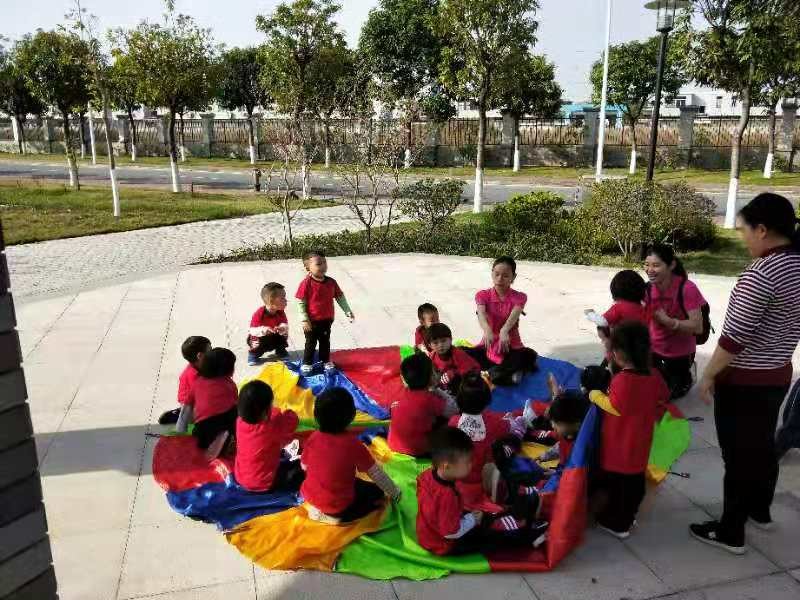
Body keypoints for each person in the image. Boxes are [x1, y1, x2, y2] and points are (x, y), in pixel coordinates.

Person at [690, 193, 800, 555]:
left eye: (743, 230)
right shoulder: (796, 264)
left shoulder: (762, 274)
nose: (742, 238)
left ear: (763, 230)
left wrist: (708, 375)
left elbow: (734, 338)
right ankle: (759, 511)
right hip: (777, 374)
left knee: (738, 457)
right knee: (761, 446)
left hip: (745, 382)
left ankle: (730, 533)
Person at [588, 322, 669, 539]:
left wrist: (595, 395)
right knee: (634, 484)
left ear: (618, 354)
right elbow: (662, 399)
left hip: (619, 445)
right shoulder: (654, 375)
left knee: (617, 487)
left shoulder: (623, 380)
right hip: (641, 442)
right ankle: (628, 515)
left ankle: (617, 524)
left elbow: (613, 405)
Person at [416, 426, 549, 556]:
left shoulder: (428, 475)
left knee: (486, 518)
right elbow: (450, 533)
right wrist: (472, 520)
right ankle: (530, 536)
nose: (471, 464)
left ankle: (514, 519)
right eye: (468, 462)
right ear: (447, 466)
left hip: (427, 535)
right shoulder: (446, 495)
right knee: (492, 536)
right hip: (445, 544)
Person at [301, 387, 401, 523]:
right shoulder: (353, 445)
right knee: (376, 493)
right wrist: (395, 492)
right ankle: (337, 518)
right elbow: (376, 473)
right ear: (352, 415)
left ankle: (323, 510)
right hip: (337, 506)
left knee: (353, 484)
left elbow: (304, 466)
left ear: (316, 415)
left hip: (309, 495)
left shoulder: (313, 437)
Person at [448, 372, 528, 510]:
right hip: (482, 481)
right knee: (514, 437)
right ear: (486, 402)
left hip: (457, 479)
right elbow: (510, 426)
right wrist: (519, 420)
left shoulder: (453, 422)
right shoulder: (493, 424)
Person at [643, 244, 707, 399]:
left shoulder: (687, 288)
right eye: (646, 264)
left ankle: (687, 376)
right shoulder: (647, 288)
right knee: (648, 390)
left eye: (656, 265)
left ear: (671, 265)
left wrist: (669, 322)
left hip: (679, 352)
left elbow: (698, 327)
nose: (649, 270)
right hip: (653, 348)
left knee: (672, 394)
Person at [466, 256, 539, 386]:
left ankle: (500, 374)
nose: (500, 279)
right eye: (497, 274)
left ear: (513, 277)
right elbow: (481, 314)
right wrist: (487, 330)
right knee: (460, 353)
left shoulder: (520, 297)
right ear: (492, 273)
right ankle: (506, 374)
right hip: (489, 344)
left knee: (523, 356)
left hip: (510, 345)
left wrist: (504, 331)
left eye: (505, 276)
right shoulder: (482, 295)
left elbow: (513, 317)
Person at [234, 380, 303, 493]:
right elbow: (292, 421)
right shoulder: (272, 426)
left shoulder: (239, 422)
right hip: (265, 483)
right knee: (300, 468)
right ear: (265, 412)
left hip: (240, 477)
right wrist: (285, 411)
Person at [295, 250, 354, 375]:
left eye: (324, 263)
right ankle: (307, 363)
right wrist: (304, 319)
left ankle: (325, 360)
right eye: (318, 264)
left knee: (325, 341)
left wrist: (347, 310)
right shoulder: (306, 284)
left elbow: (340, 297)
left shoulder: (331, 282)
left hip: (327, 319)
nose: (323, 266)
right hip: (311, 322)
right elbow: (300, 302)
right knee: (310, 343)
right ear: (307, 268)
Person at [387, 353, 458, 457]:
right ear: (430, 377)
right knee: (454, 421)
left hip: (393, 444)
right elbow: (454, 410)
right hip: (418, 450)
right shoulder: (429, 399)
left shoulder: (403, 393)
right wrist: (439, 391)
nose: (437, 373)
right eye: (434, 371)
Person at [586, 270, 648, 364]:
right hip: (639, 347)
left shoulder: (619, 307)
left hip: (621, 348)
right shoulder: (642, 306)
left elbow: (602, 321)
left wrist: (590, 314)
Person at [189, 347, 239, 460]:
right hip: (222, 424)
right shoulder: (229, 384)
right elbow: (235, 403)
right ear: (228, 370)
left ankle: (211, 441)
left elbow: (188, 403)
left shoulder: (197, 382)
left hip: (201, 428)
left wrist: (183, 426)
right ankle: (225, 438)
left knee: (203, 431)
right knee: (237, 413)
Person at [158, 335, 211, 425]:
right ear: (200, 356)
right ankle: (178, 416)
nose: (213, 353)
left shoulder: (200, 367)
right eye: (210, 350)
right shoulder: (193, 376)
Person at [426, 323, 481, 394]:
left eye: (443, 341)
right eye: (435, 343)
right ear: (430, 345)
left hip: (462, 386)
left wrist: (454, 373)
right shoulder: (432, 356)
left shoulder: (458, 354)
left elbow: (474, 370)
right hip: (445, 387)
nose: (440, 345)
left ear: (451, 340)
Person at [247, 282, 289, 366]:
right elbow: (252, 330)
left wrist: (282, 328)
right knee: (255, 342)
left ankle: (280, 350)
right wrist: (263, 330)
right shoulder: (260, 313)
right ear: (271, 301)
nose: (285, 300)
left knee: (283, 335)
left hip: (274, 335)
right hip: (261, 338)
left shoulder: (280, 312)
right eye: (282, 298)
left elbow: (285, 324)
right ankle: (253, 354)